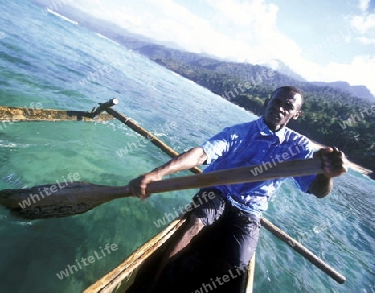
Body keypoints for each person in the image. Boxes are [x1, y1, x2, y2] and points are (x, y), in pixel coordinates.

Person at [128, 86, 347, 292]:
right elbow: (201, 154)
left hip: (251, 209)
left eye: (287, 106)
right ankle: (155, 285)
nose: (279, 107)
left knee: (239, 264)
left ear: (296, 114)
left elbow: (318, 191)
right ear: (267, 102)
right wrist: (157, 174)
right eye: (276, 101)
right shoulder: (240, 132)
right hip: (217, 192)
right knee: (195, 223)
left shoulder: (300, 147)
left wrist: (326, 175)